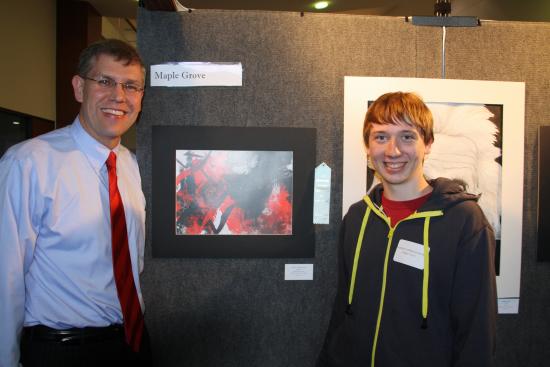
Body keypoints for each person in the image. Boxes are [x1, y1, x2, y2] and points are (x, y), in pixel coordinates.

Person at [0, 39, 151, 367]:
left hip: (132, 345)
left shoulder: (135, 167)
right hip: (61, 351)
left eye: (131, 86)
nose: (119, 96)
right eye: (105, 82)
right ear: (79, 87)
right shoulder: (30, 163)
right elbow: (5, 276)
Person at [317, 92, 497, 367]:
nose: (393, 150)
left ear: (428, 143)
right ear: (367, 145)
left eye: (407, 136)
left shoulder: (464, 221)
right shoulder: (357, 217)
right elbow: (343, 310)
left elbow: (477, 332)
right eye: (381, 137)